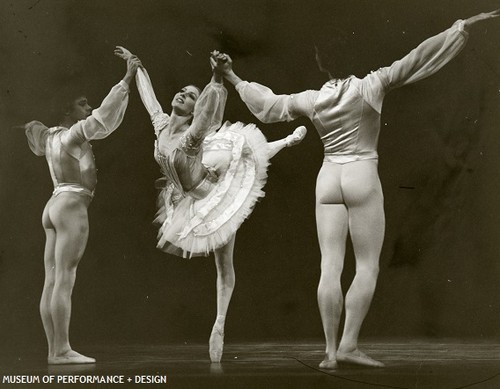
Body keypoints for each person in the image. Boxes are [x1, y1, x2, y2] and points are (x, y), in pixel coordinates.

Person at [214, 10, 500, 369]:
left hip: (328, 178)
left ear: (322, 64)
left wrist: (231, 76)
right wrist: (459, 29)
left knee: (329, 266)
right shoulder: (371, 84)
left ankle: (330, 354)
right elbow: (416, 59)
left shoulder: (312, 98)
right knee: (367, 266)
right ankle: (349, 345)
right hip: (361, 175)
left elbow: (268, 106)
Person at [114, 47, 306, 363]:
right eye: (182, 92)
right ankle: (286, 142)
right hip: (185, 198)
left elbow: (208, 110)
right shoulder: (161, 125)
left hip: (212, 197)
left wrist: (216, 76)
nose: (182, 95)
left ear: (193, 109)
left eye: (190, 96)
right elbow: (148, 98)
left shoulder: (193, 134)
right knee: (236, 157)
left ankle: (219, 324)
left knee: (224, 262)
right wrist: (136, 65)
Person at [24, 53, 142, 364]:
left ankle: (54, 350)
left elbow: (32, 129)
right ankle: (61, 349)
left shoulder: (49, 136)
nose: (87, 108)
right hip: (72, 204)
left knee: (52, 279)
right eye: (82, 104)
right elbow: (104, 117)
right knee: (65, 277)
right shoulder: (73, 135)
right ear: (68, 109)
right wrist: (127, 79)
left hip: (52, 206)